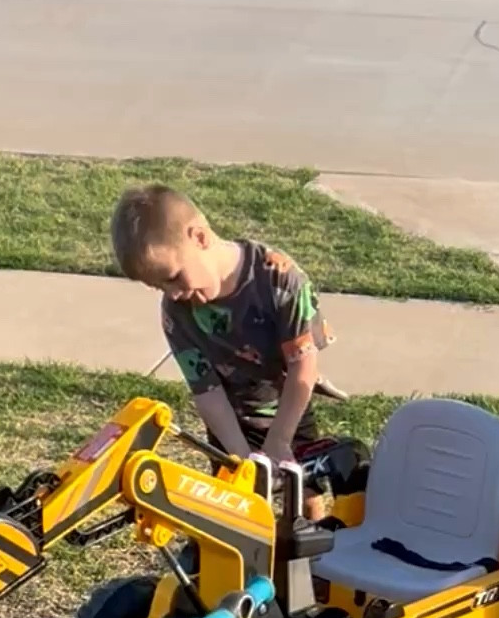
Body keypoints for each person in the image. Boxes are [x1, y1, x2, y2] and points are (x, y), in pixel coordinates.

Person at [110, 183, 336, 513]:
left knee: (304, 499)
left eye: (172, 277)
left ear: (199, 238)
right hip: (229, 423)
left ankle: (311, 562)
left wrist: (279, 439)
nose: (171, 293)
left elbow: (303, 368)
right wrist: (239, 457)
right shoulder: (177, 312)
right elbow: (207, 391)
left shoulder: (279, 280)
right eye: (159, 286)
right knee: (231, 512)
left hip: (287, 412)